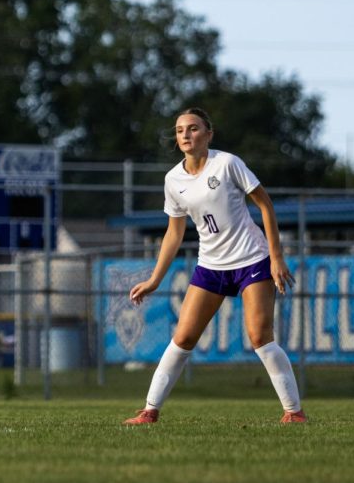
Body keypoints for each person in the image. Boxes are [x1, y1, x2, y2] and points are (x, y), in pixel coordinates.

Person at [123, 107, 305, 425]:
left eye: (193, 129)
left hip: (252, 260)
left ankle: (294, 413)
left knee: (259, 335)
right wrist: (154, 279)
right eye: (180, 130)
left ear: (209, 133)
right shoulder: (173, 180)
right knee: (183, 337)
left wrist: (276, 257)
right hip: (210, 266)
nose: (186, 135)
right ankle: (149, 412)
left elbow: (265, 204)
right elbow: (174, 234)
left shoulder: (228, 164)